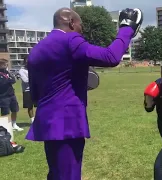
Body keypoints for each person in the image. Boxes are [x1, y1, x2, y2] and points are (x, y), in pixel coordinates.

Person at [25, 7, 143, 180]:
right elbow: (110, 57)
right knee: (69, 175)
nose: (82, 30)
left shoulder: (36, 49)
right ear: (72, 23)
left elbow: (36, 93)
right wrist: (127, 28)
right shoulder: (71, 39)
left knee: (56, 174)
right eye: (81, 25)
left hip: (48, 123)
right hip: (67, 122)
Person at [0, 59, 23, 131]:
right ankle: (5, 127)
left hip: (12, 95)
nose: (6, 66)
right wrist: (9, 80)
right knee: (5, 112)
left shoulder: (7, 72)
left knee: (14, 110)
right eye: (5, 64)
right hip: (3, 96)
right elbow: (2, 83)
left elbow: (14, 80)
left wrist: (9, 80)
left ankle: (14, 124)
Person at [18, 56, 36, 123]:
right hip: (27, 91)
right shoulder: (21, 70)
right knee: (30, 106)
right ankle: (33, 121)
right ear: (24, 62)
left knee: (39, 105)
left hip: (36, 89)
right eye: (26, 61)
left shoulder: (35, 69)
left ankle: (39, 119)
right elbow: (25, 80)